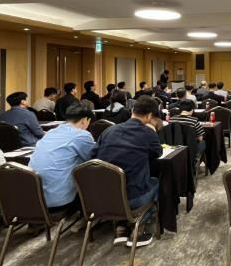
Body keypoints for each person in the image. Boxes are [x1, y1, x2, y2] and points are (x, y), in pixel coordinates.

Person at [92, 96, 163, 247]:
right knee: (156, 182)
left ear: (132, 111)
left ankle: (121, 227)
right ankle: (139, 228)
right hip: (132, 197)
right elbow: (157, 153)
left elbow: (93, 156)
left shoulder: (109, 130)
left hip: (103, 195)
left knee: (121, 184)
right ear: (150, 116)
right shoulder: (148, 133)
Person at [28, 104, 95, 209]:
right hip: (57, 199)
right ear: (84, 120)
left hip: (34, 197)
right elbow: (93, 160)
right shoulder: (82, 135)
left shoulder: (51, 132)